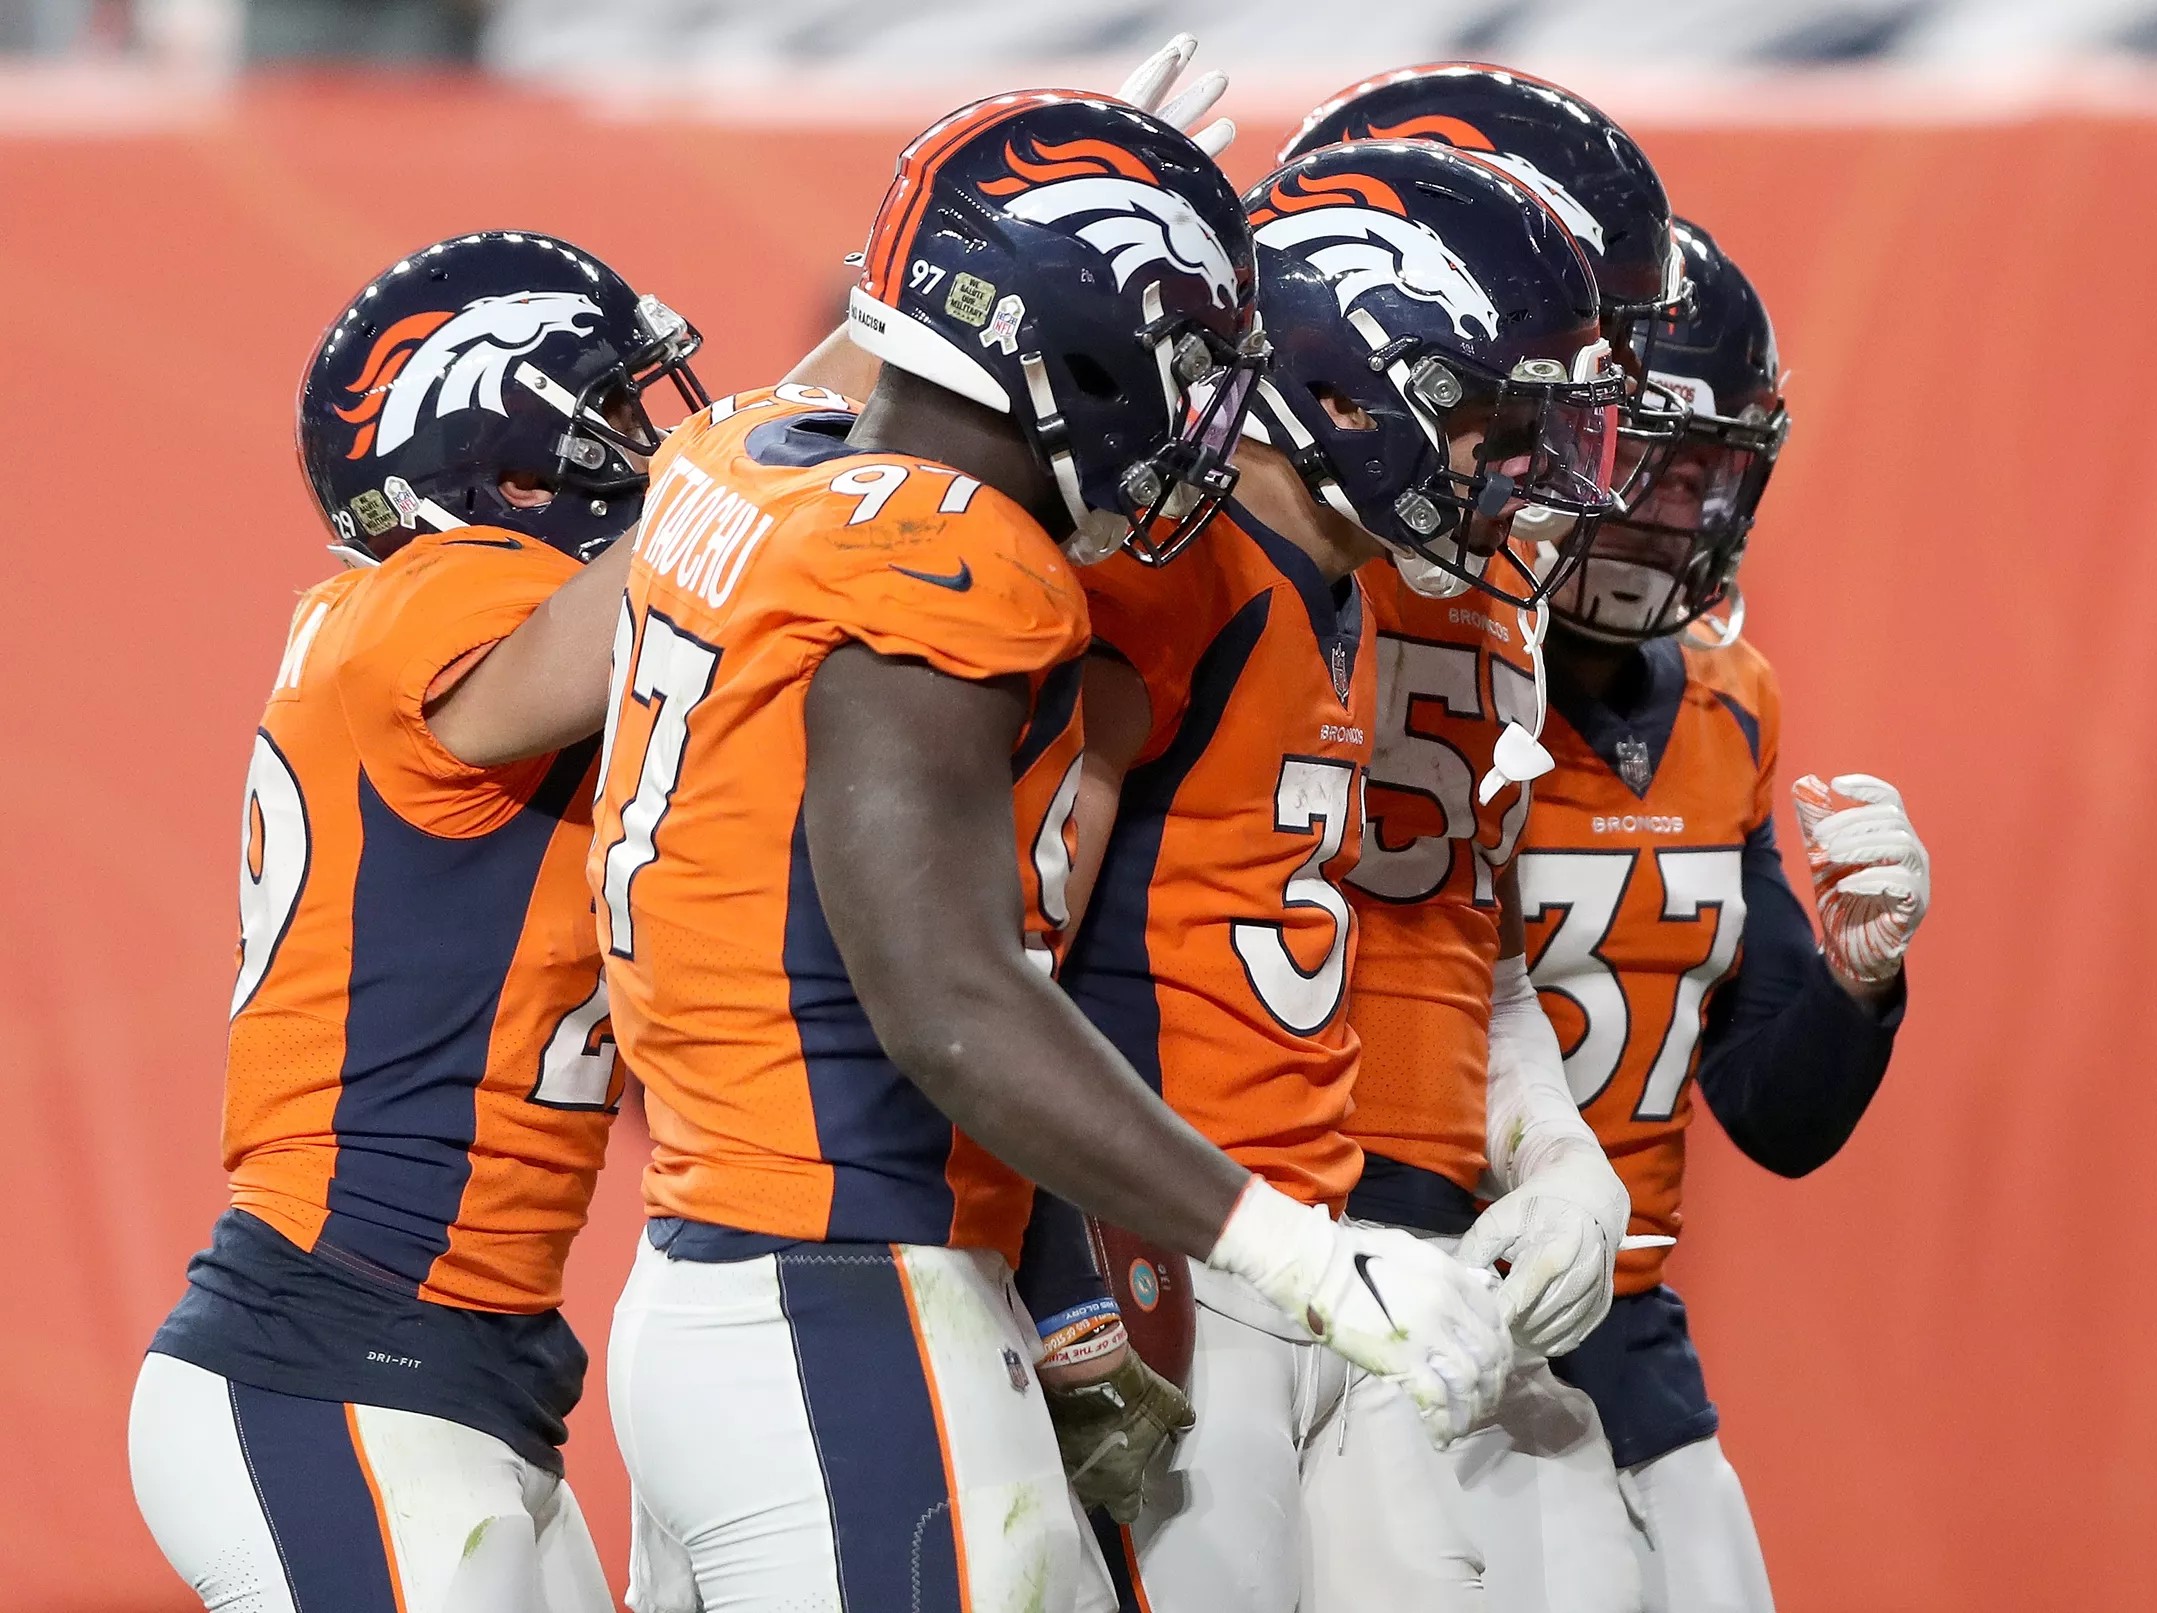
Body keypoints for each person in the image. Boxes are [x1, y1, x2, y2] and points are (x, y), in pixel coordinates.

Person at [584, 93, 1512, 1613]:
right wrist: (1290, 1253)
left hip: (711, 1283)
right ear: (1061, 341)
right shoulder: (949, 558)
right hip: (852, 1296)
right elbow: (946, 993)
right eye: (1190, 357)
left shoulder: (738, 459)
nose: (1207, 411)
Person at [1050, 135, 1631, 1613]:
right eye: (1492, 428)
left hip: (1320, 1251)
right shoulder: (1162, 579)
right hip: (1177, 1247)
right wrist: (1064, 1276)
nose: (1522, 478)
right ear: (1351, 385)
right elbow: (999, 957)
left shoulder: (1334, 590)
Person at [126, 230, 709, 1613]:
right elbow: (694, 561)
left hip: (456, 1370)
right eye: (620, 416)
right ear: (510, 461)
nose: (657, 448)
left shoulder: (449, 623)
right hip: (336, 1359)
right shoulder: (435, 602)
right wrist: (904, 358)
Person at [1275, 65, 1692, 1613]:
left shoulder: (1484, 553)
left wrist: (1554, 1148)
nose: (1588, 414)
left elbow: (1450, 907)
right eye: (1541, 372)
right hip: (1230, 1243)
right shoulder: (1231, 546)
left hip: (1429, 1244)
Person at [1523, 220, 1931, 1613]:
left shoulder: (1728, 695)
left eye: (1698, 471)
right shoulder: (1409, 675)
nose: (1660, 508)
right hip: (1421, 1312)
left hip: (1632, 1335)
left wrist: (1861, 980)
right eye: (1635, 457)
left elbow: (1776, 1110)